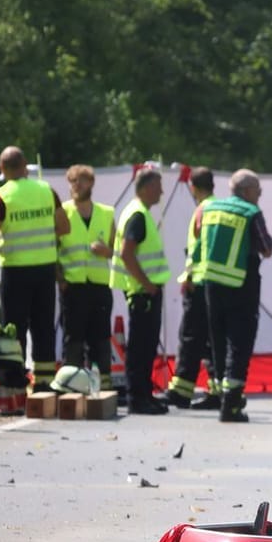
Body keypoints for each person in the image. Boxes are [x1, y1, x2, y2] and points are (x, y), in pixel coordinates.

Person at [194, 169, 272, 423]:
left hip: (211, 283)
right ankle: (231, 403)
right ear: (247, 191)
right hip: (241, 284)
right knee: (239, 344)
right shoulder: (250, 212)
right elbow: (266, 247)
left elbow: (198, 237)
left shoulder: (210, 209)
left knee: (217, 340)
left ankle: (221, 394)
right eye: (258, 190)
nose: (260, 195)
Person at [0, 146, 70, 407]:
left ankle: (14, 386)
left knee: (14, 328)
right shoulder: (46, 191)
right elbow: (64, 226)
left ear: (2, 169)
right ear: (25, 166)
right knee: (43, 326)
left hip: (14, 271)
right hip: (45, 270)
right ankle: (44, 384)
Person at [109, 166, 171, 414]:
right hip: (142, 292)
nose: (162, 192)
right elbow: (127, 253)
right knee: (140, 346)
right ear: (146, 188)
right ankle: (138, 398)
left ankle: (145, 394)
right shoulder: (137, 215)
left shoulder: (139, 212)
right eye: (158, 186)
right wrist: (147, 284)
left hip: (146, 290)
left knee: (147, 345)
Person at [165, 169, 222, 409]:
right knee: (211, 340)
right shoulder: (219, 207)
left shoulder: (201, 210)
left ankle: (180, 391)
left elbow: (198, 246)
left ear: (192, 187)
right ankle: (216, 389)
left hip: (198, 282)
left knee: (189, 337)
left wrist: (187, 275)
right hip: (215, 282)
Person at [57, 165, 116, 383]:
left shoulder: (106, 213)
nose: (76, 185)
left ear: (91, 183)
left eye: (81, 181)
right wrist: (61, 280)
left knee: (100, 338)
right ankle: (73, 383)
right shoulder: (63, 212)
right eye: (73, 181)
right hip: (73, 286)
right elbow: (53, 250)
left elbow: (118, 252)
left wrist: (106, 252)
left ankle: (104, 384)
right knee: (73, 339)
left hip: (100, 285)